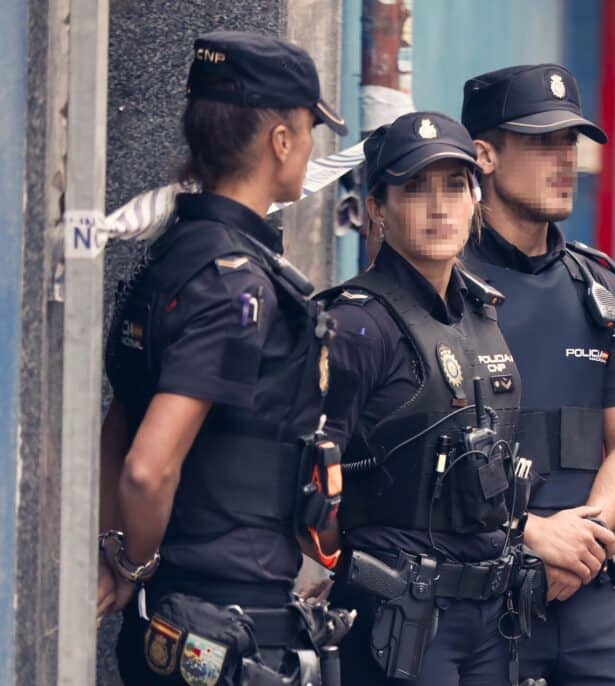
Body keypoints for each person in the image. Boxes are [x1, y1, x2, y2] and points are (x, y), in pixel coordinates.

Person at [98, 30, 352, 686]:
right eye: (308, 129)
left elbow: (120, 418)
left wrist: (118, 554)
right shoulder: (236, 283)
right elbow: (146, 469)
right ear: (281, 141)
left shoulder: (172, 256)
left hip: (188, 619)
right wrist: (134, 567)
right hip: (222, 623)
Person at [320, 111, 545, 686]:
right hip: (403, 624)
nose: (439, 206)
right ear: (377, 207)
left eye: (454, 186)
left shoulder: (480, 314)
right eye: (415, 188)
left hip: (491, 620)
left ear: (475, 201)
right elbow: (302, 480)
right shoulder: (355, 325)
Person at [460, 64, 615, 685]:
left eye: (569, 142)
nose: (563, 159)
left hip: (585, 596)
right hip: (474, 595)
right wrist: (533, 538)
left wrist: (585, 541)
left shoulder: (599, 289)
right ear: (484, 155)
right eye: (541, 141)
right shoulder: (439, 286)